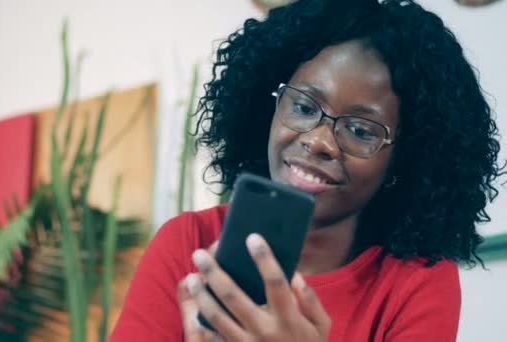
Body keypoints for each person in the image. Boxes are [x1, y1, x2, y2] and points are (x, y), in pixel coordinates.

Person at [110, 0, 503, 341]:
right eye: (302, 107)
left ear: (405, 159)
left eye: (360, 130)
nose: (318, 141)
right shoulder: (188, 245)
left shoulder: (416, 281)